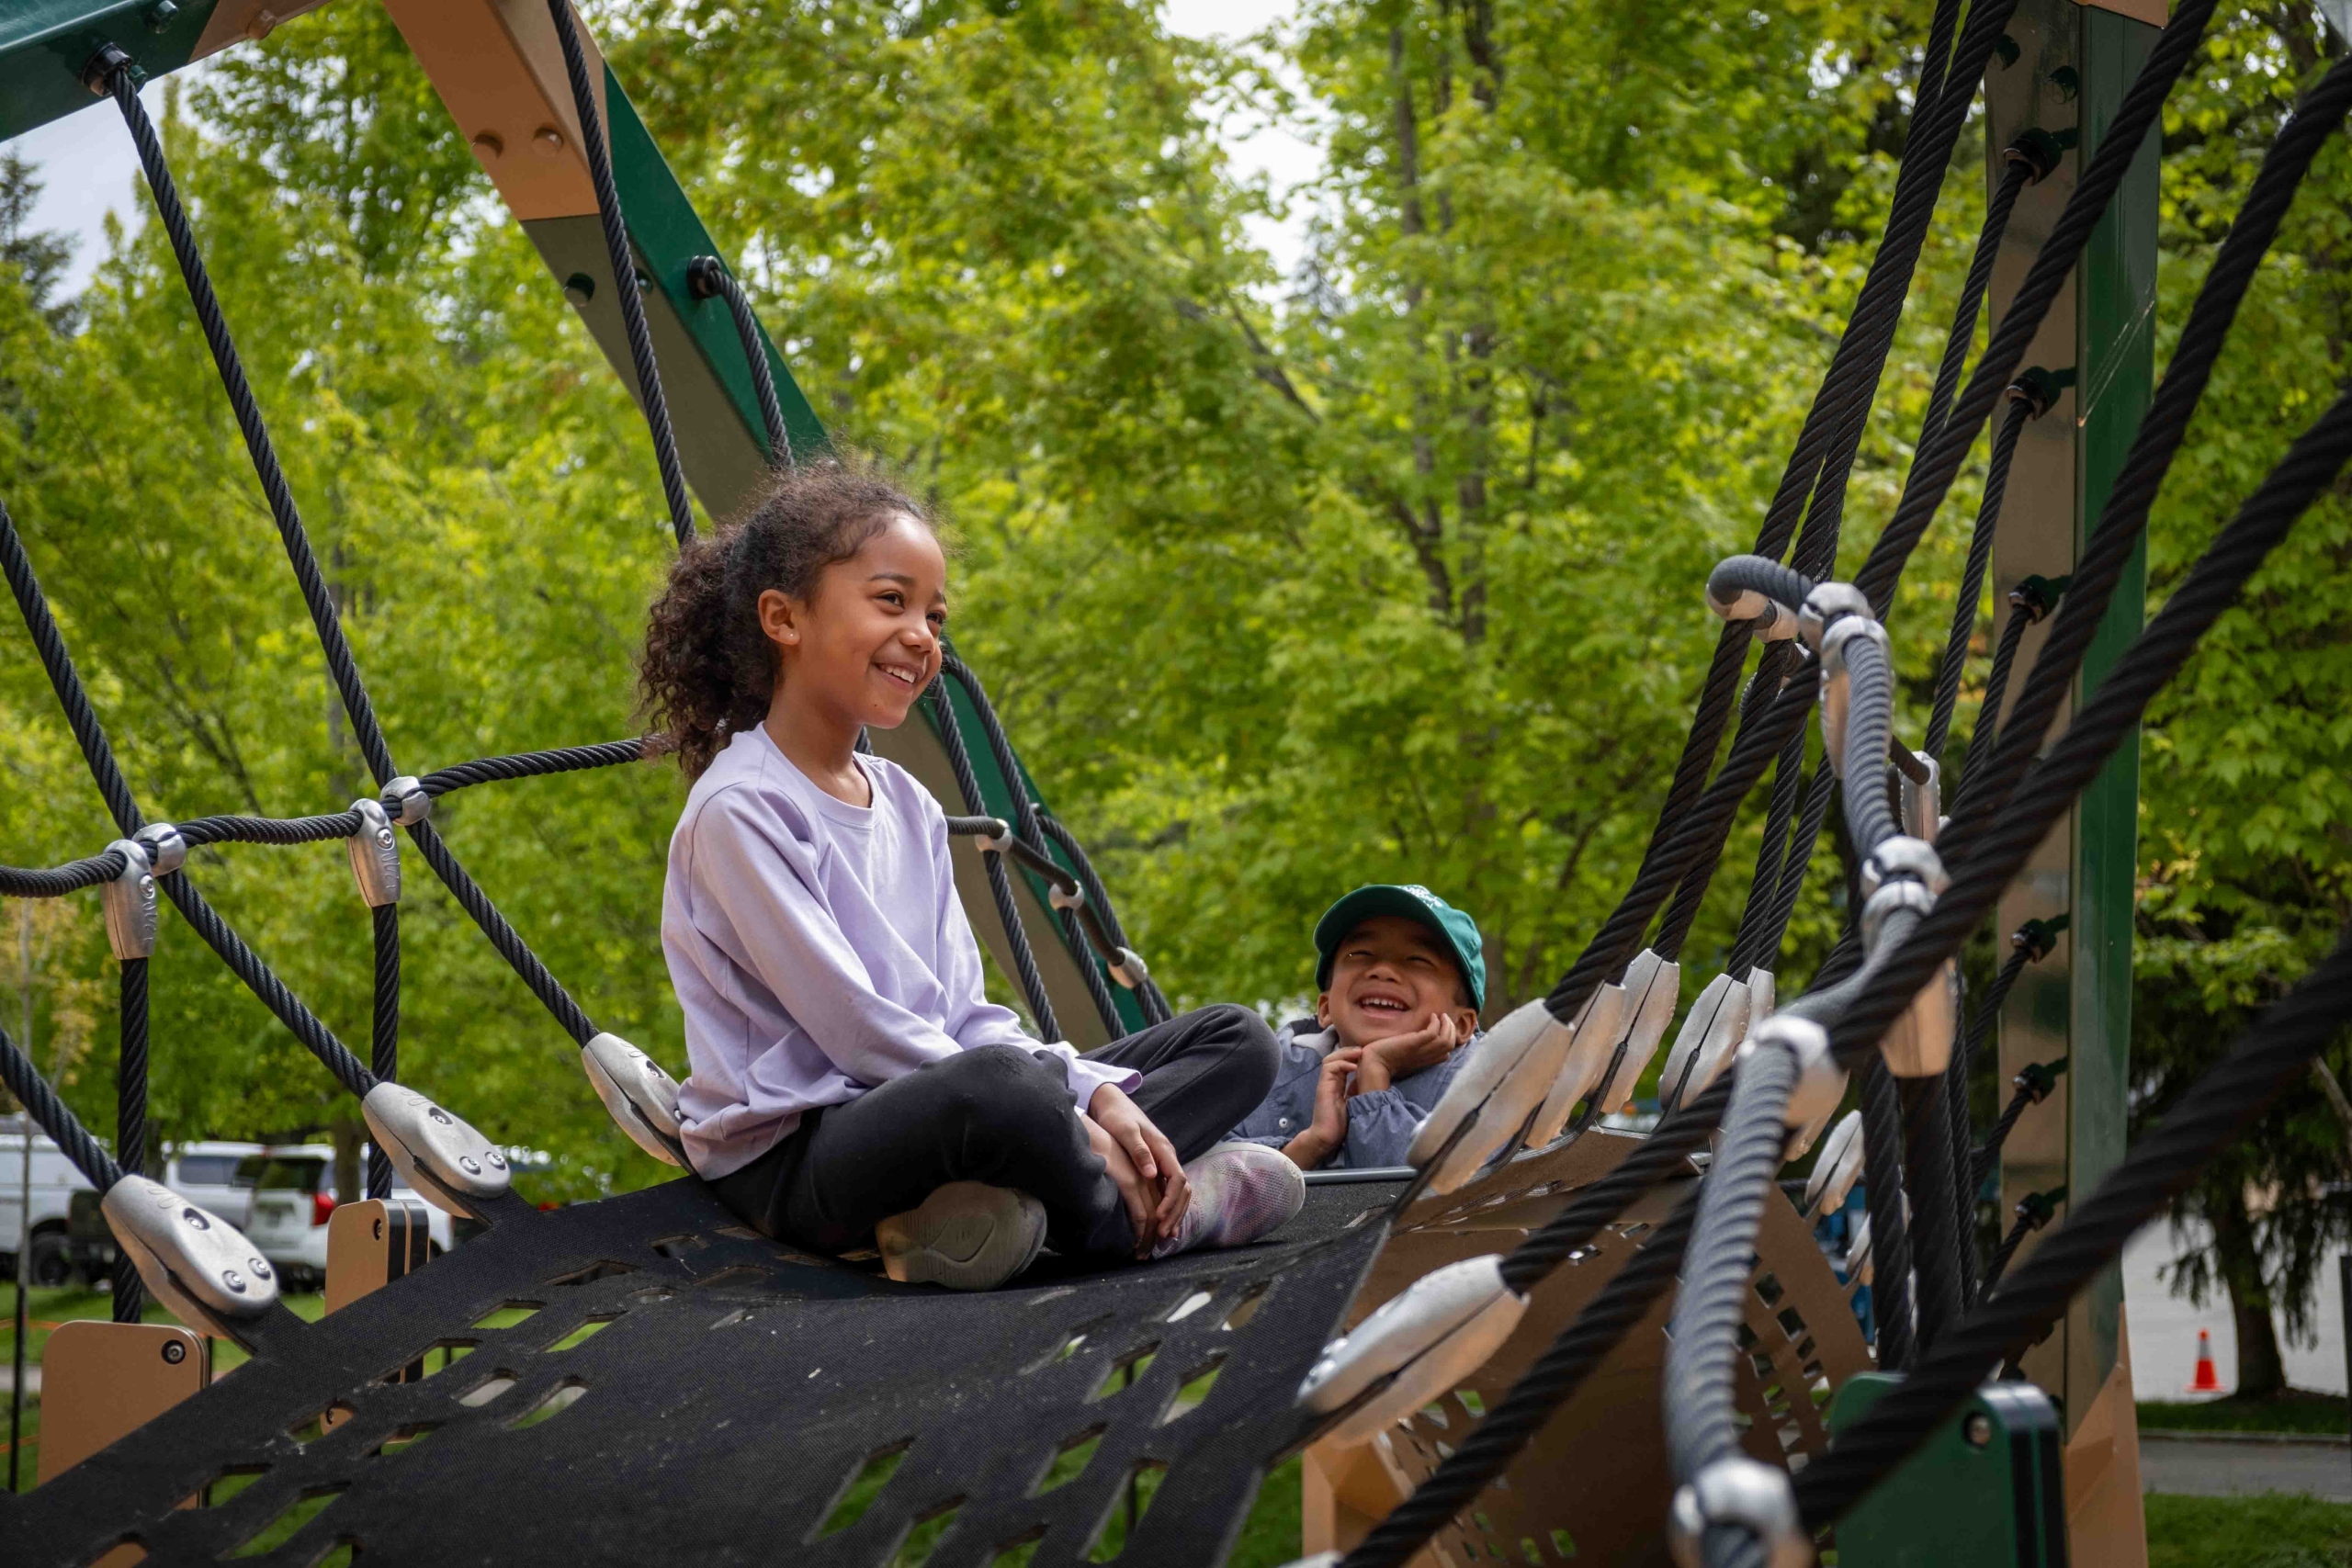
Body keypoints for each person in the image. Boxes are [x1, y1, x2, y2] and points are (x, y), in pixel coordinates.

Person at [644, 460, 1302, 1292]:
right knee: (1006, 1089)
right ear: (784, 617)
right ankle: (1132, 1222)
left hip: (934, 1107)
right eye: (892, 600)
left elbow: (961, 1011)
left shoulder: (911, 804)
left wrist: (1093, 1096)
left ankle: (991, 1216)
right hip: (794, 1160)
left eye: (934, 613)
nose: (924, 635)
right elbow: (858, 1030)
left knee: (1238, 1040)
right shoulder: (741, 808)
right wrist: (1062, 1103)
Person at [1229, 886, 1486, 1170]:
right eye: (1360, 954)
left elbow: (1435, 1202)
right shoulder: (1266, 1073)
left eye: (1418, 960)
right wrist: (1312, 1144)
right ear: (1324, 1009)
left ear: (1462, 1025)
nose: (1383, 971)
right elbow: (1208, 1194)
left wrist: (1374, 1082)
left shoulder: (1488, 1086)